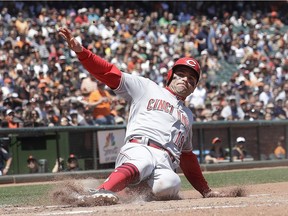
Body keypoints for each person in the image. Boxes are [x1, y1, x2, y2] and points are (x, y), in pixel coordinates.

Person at [58, 27, 224, 205]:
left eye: (192, 79)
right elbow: (109, 73)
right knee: (143, 162)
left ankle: (127, 194)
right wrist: (82, 52)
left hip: (165, 161)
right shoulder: (147, 87)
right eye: (181, 74)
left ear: (194, 88)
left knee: (171, 183)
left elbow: (187, 158)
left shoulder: (188, 115)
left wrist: (206, 191)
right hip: (139, 147)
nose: (186, 80)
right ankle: (100, 191)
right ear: (170, 76)